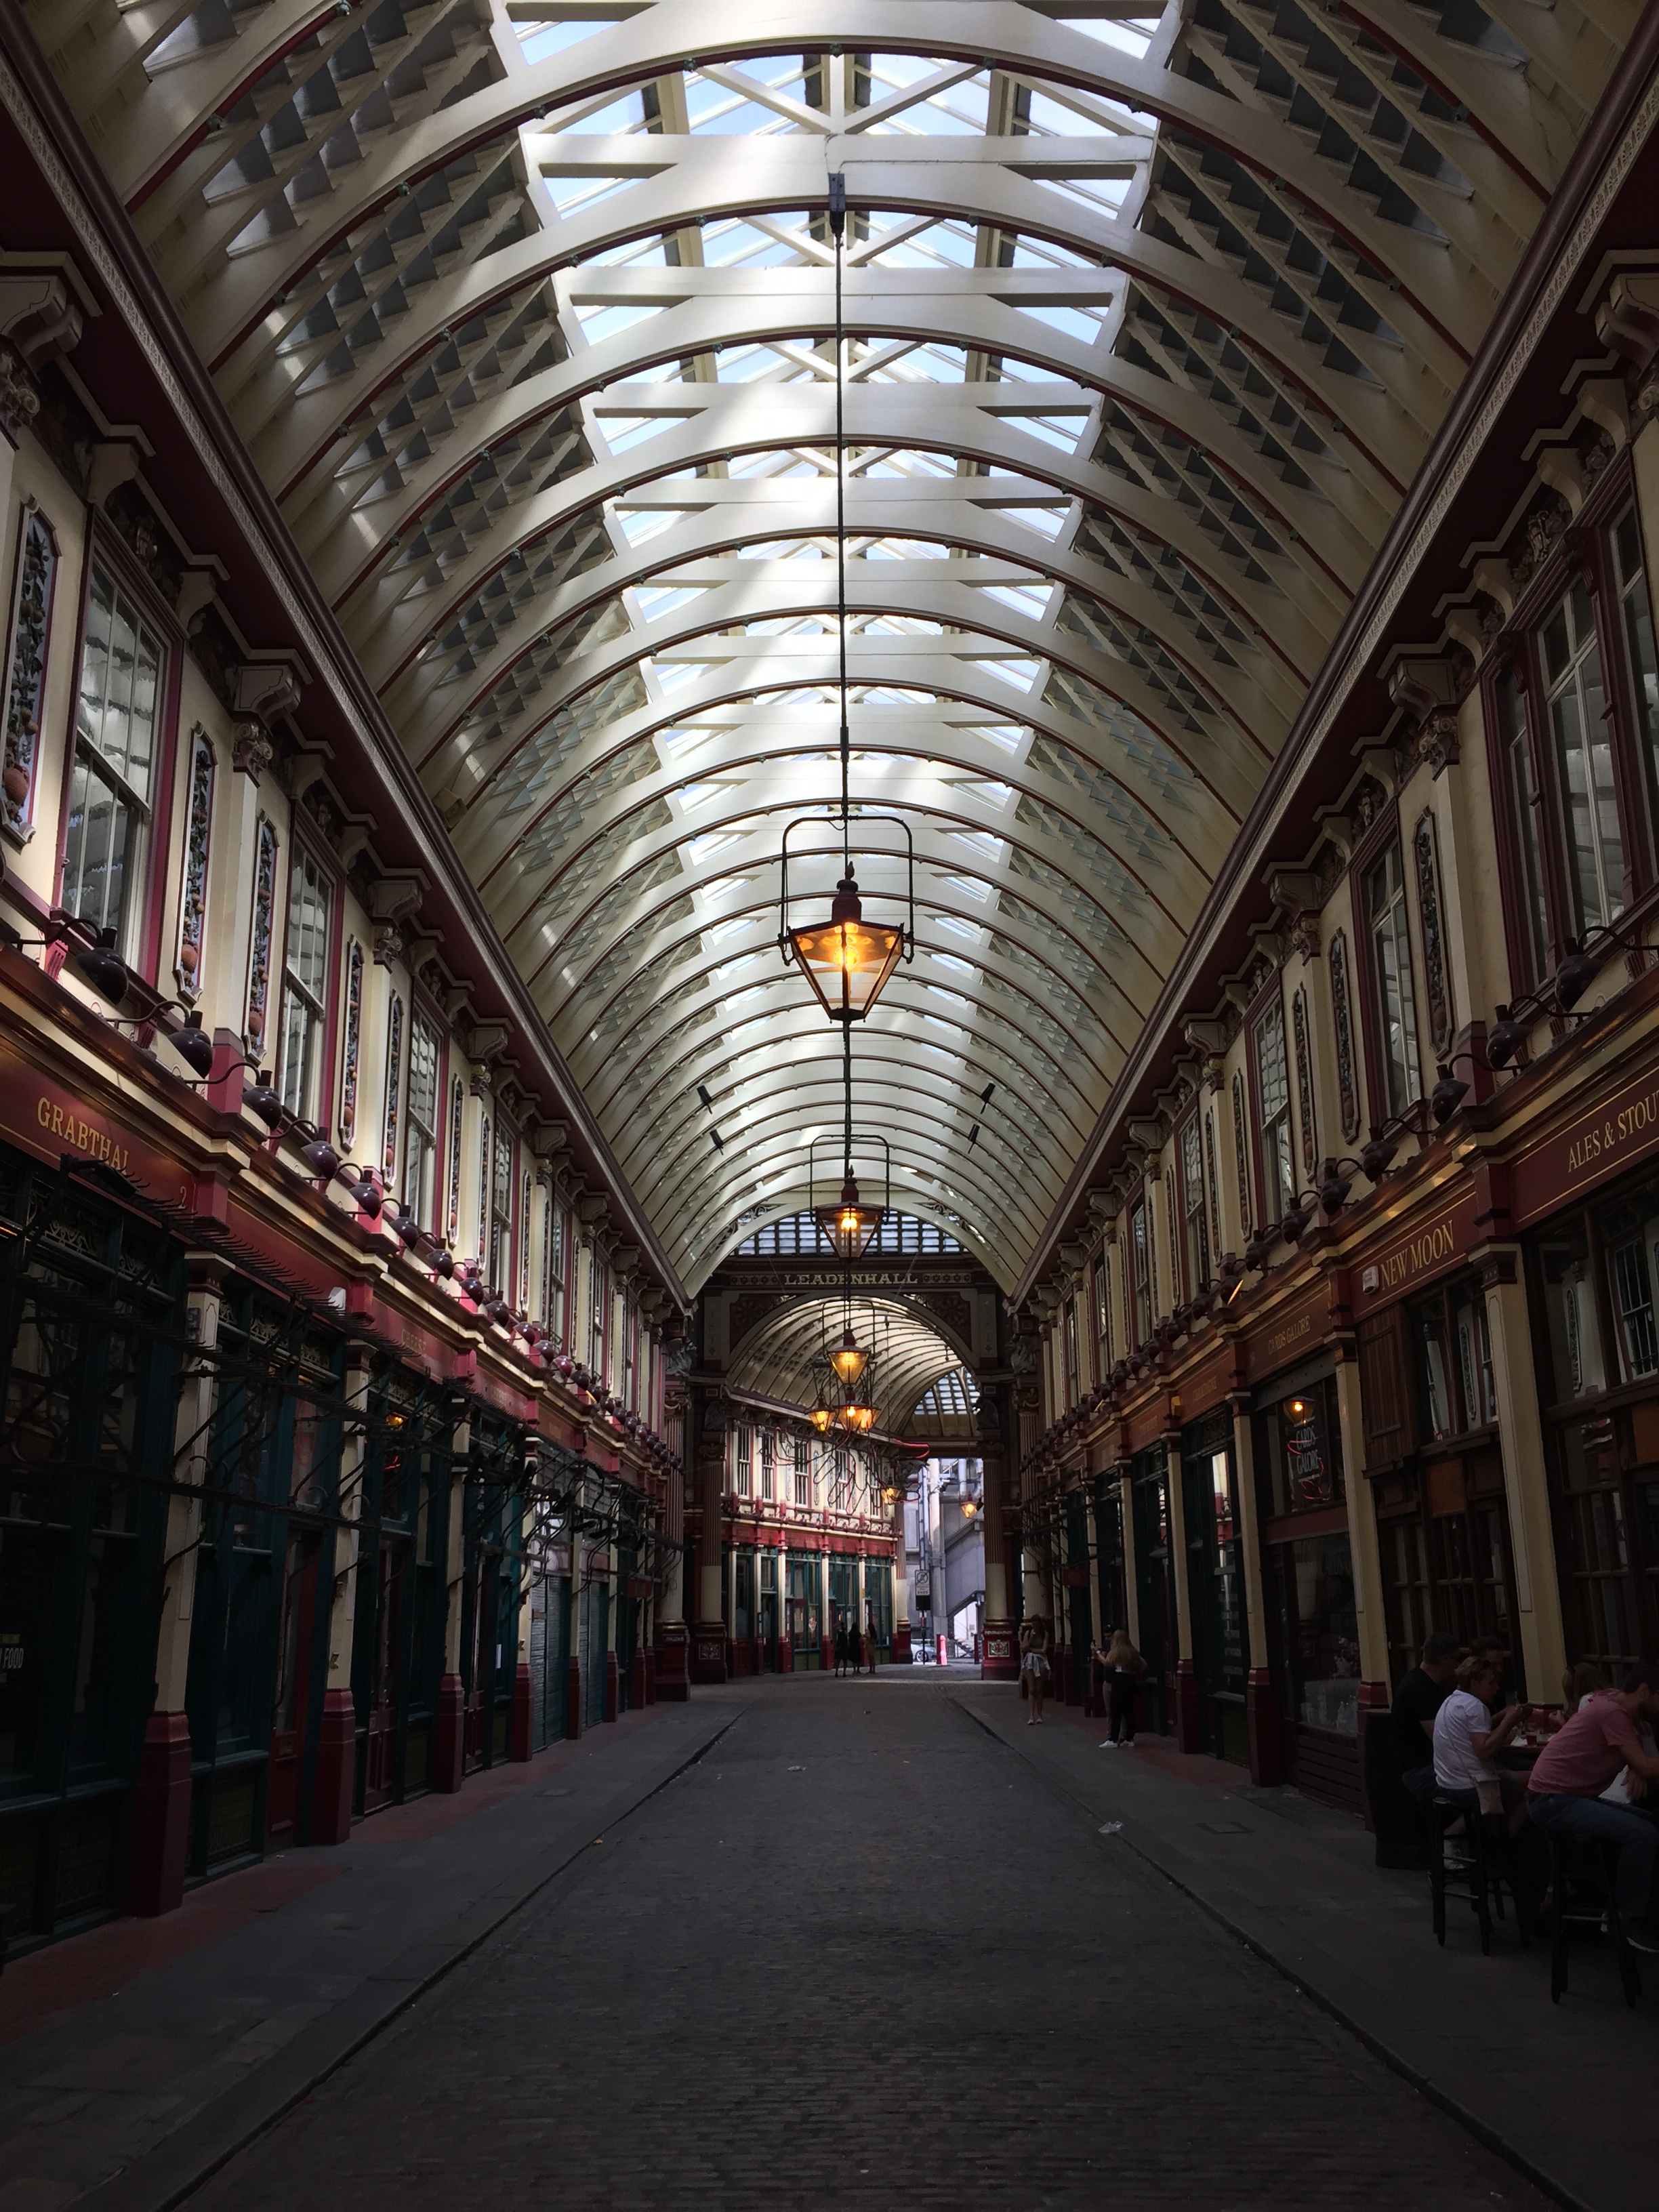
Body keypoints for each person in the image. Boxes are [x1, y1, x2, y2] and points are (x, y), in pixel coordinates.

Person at [1528, 1664, 1659, 1952]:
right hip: (1554, 1799)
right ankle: (1622, 1917)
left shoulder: (1615, 1703)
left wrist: (1638, 1766)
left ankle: (1631, 1906)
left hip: (1567, 1795)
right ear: (1645, 1692)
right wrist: (1641, 1767)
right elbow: (1647, 1764)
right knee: (1644, 1834)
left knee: (1650, 1824)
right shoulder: (1613, 1712)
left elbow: (1640, 1760)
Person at [1432, 1654, 1531, 1837]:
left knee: (1510, 1775)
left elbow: (1473, 1731)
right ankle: (1502, 1840)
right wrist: (1508, 1722)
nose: (1497, 1688)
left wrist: (1502, 1716)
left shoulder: (1453, 1701)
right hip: (1471, 1785)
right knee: (1538, 1780)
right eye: (1491, 1683)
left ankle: (1490, 1833)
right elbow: (1485, 1751)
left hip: (1446, 1782)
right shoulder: (1475, 1707)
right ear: (1474, 1683)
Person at [1393, 1631, 1460, 1803]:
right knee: (1491, 1785)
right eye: (1456, 1659)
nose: (1458, 1665)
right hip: (1422, 1770)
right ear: (1445, 1659)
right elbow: (1440, 1739)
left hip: (1426, 1767)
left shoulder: (1422, 1682)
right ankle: (1457, 1829)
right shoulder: (1420, 1690)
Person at [1094, 1629, 1145, 1748]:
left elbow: (1107, 1663)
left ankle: (1113, 1739)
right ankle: (1129, 1738)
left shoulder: (1116, 1652)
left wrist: (1098, 1653)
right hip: (1130, 1680)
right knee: (1129, 1710)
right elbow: (1143, 1665)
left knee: (1115, 1710)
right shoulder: (1132, 1652)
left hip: (1119, 1680)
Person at [1020, 1618, 1051, 1725]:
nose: (1035, 1628)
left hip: (1041, 1662)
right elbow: (1024, 1648)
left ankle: (1039, 1715)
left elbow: (1044, 1650)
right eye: (1033, 1626)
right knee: (1031, 1689)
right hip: (1030, 1662)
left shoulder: (1044, 1634)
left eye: (1037, 1625)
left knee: (1039, 1689)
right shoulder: (1028, 1634)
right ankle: (1031, 1716)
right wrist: (1030, 1641)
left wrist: (1032, 1650)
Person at [833, 1612, 848, 1678]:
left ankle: (838, 1672)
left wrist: (839, 1623)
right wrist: (840, 1623)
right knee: (843, 1661)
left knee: (838, 1661)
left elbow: (834, 1627)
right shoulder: (843, 1633)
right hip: (844, 1648)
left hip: (840, 1647)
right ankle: (843, 1672)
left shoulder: (841, 1632)